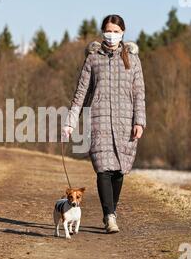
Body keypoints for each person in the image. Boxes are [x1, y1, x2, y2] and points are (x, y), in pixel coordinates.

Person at [62, 14, 146, 233]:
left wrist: (139, 122)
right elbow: (81, 93)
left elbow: (139, 94)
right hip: (98, 121)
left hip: (125, 122)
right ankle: (109, 216)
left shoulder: (133, 60)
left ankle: (111, 211)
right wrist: (70, 122)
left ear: (123, 33)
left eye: (116, 32)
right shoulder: (93, 58)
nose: (112, 35)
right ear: (102, 33)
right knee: (103, 169)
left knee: (119, 171)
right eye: (108, 31)